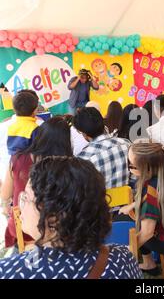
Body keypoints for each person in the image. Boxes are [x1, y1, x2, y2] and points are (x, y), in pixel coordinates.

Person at [0, 157, 142, 279]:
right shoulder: (122, 258)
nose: (20, 207)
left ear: (54, 218)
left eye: (25, 197)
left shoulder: (10, 272)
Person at [119, 142, 164, 275]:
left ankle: (149, 264)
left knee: (135, 225)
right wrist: (133, 204)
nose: (129, 168)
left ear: (147, 169)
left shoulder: (150, 192)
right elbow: (153, 198)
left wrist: (127, 252)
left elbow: (146, 233)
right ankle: (149, 262)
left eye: (131, 165)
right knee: (135, 216)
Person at [0, 117, 72, 249]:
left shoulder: (17, 158)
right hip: (56, 233)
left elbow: (4, 195)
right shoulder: (68, 169)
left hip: (21, 229)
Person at [74, 107, 130, 189]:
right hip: (130, 200)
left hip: (101, 201)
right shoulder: (126, 144)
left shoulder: (83, 159)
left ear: (84, 133)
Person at [7, 90, 39, 156]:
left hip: (14, 162)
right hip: (30, 164)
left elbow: (10, 150)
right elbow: (38, 150)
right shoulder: (35, 128)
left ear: (14, 110)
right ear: (35, 110)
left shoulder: (11, 127)